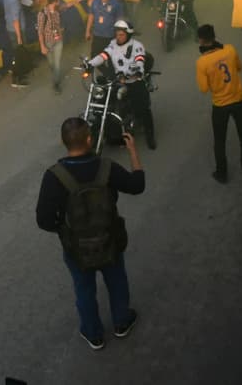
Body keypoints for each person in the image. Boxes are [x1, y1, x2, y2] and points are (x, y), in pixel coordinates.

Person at [35, 117, 144, 350]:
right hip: (110, 239)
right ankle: (122, 321)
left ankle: (93, 334)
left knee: (84, 289)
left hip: (76, 247)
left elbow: (43, 220)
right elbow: (137, 185)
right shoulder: (106, 167)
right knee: (116, 281)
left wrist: (65, 229)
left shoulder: (54, 176)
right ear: (89, 139)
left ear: (64, 142)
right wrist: (133, 152)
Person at [195, 25, 242, 183]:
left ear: (200, 40)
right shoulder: (230, 49)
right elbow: (239, 67)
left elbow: (203, 88)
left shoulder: (202, 62)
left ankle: (222, 173)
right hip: (239, 100)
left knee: (220, 141)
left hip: (220, 105)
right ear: (214, 36)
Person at [87, 20, 155, 150]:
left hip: (133, 81)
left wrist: (135, 72)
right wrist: (90, 64)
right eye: (117, 34)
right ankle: (110, 133)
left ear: (128, 35)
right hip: (117, 80)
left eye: (121, 35)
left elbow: (139, 60)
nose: (118, 37)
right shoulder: (113, 44)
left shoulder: (136, 46)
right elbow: (103, 55)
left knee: (143, 108)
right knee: (104, 101)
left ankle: (150, 136)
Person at [38, 0, 66, 94]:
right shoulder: (42, 14)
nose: (59, 2)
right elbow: (40, 31)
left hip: (58, 41)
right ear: (54, 1)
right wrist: (42, 46)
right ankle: (55, 75)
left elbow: (58, 25)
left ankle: (56, 84)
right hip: (48, 42)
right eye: (58, 1)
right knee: (51, 64)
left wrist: (60, 32)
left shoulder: (57, 12)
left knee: (57, 63)